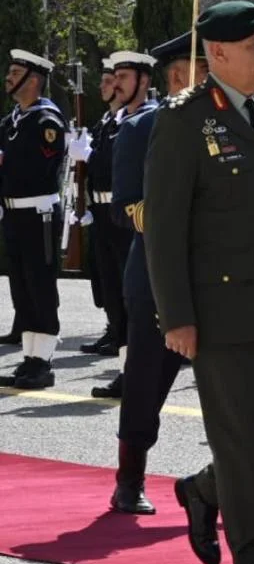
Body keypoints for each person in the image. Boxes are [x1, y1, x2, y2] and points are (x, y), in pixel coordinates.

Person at [144, 1, 254, 564]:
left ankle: (206, 488)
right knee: (238, 431)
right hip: (218, 309)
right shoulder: (186, 120)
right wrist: (177, 316)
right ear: (217, 54)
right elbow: (163, 229)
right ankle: (253, 558)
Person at [69, 51, 159, 399]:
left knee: (135, 298)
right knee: (114, 296)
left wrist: (91, 156)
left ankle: (139, 369)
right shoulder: (111, 121)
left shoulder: (150, 120)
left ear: (144, 81)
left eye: (124, 77)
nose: (117, 84)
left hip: (133, 218)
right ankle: (127, 369)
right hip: (107, 216)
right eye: (115, 77)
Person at [0, 50, 67, 390]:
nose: (8, 78)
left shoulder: (46, 122)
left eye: (15, 73)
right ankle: (30, 359)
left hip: (38, 214)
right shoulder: (13, 120)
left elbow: (37, 168)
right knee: (22, 288)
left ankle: (44, 362)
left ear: (34, 81)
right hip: (14, 214)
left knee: (40, 287)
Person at [79, 59, 122, 356]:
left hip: (120, 210)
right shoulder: (104, 123)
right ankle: (114, 327)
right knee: (103, 274)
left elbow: (114, 166)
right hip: (100, 209)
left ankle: (125, 334)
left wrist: (90, 157)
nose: (102, 87)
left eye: (108, 81)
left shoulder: (130, 122)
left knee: (121, 275)